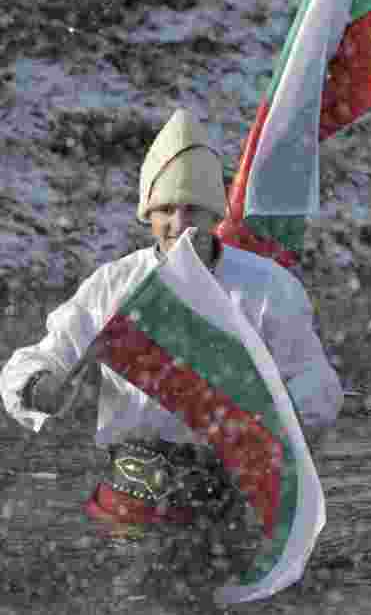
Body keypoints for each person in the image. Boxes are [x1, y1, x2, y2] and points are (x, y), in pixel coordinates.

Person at [0, 109, 343, 526]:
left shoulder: (269, 288)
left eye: (193, 210)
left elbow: (316, 385)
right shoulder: (116, 284)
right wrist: (39, 386)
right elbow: (38, 358)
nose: (179, 225)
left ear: (216, 216)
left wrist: (266, 431)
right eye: (166, 210)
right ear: (148, 214)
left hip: (229, 501)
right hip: (128, 500)